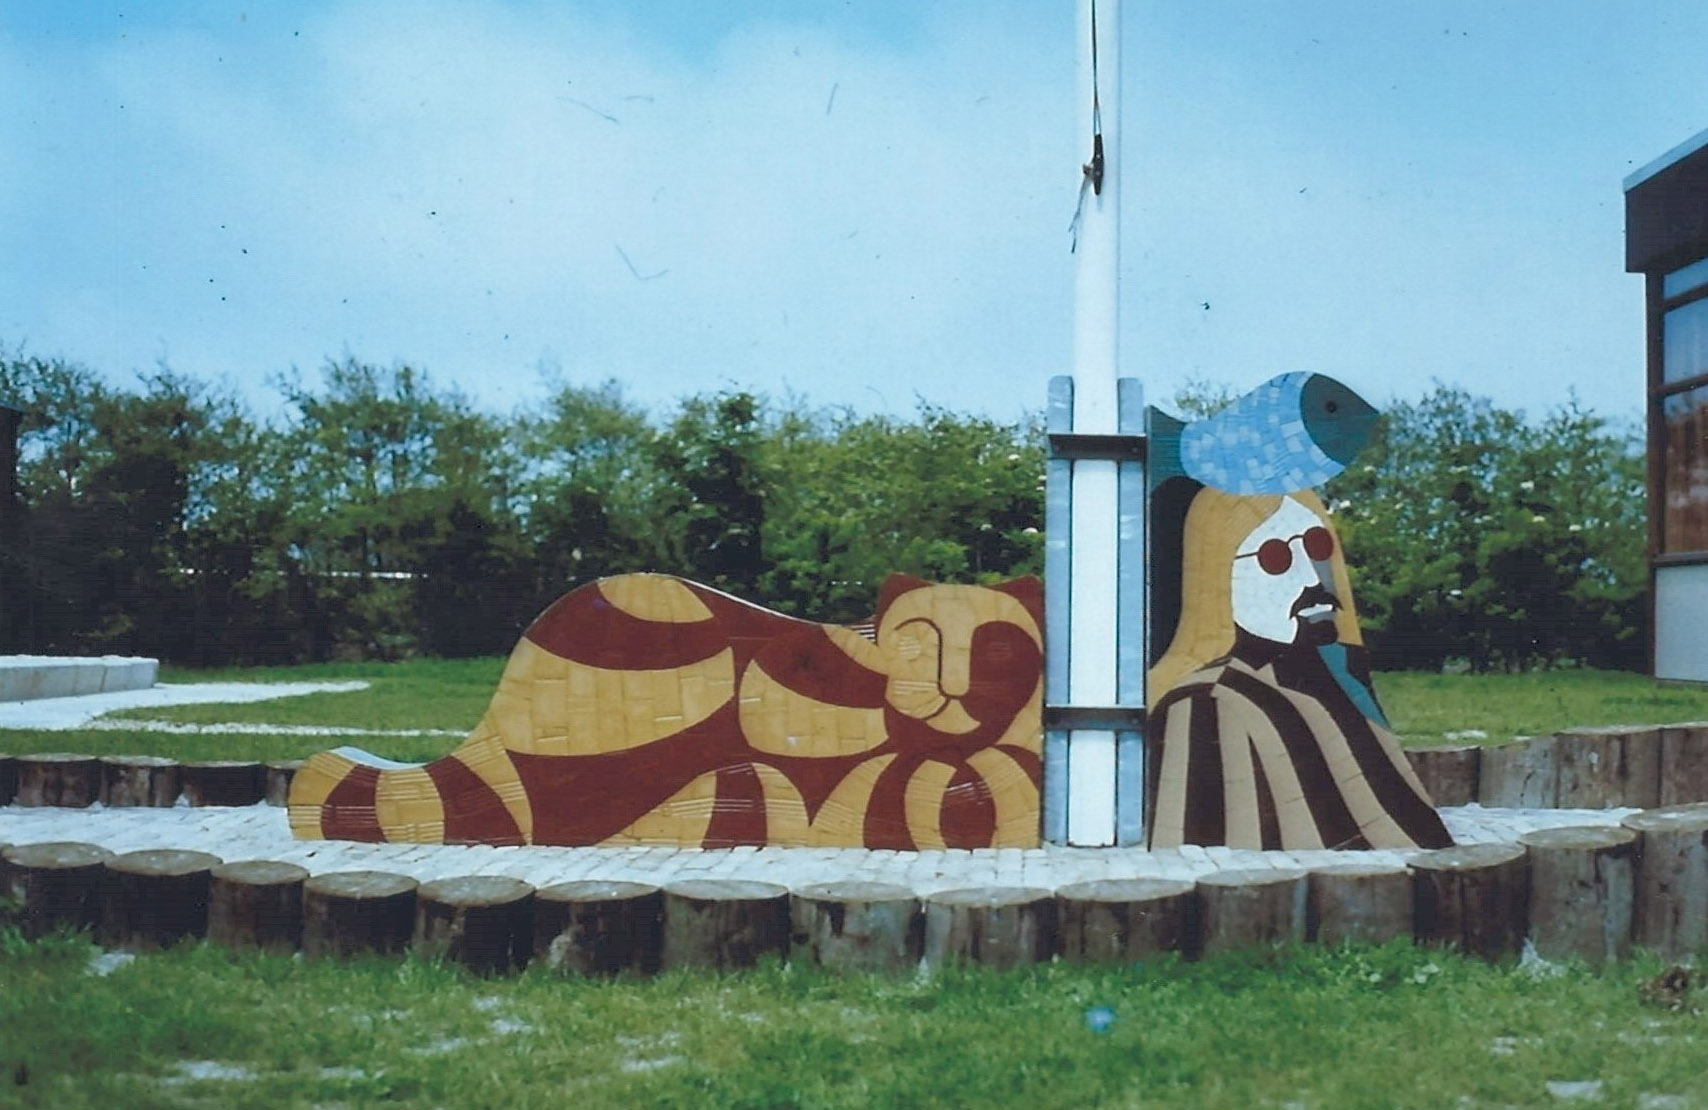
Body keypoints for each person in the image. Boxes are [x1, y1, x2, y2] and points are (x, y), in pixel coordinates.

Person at [1147, 487, 1453, 850]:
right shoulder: (1204, 704)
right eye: (1276, 558)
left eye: (1316, 546)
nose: (1311, 577)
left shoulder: (1340, 677)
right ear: (1219, 578)